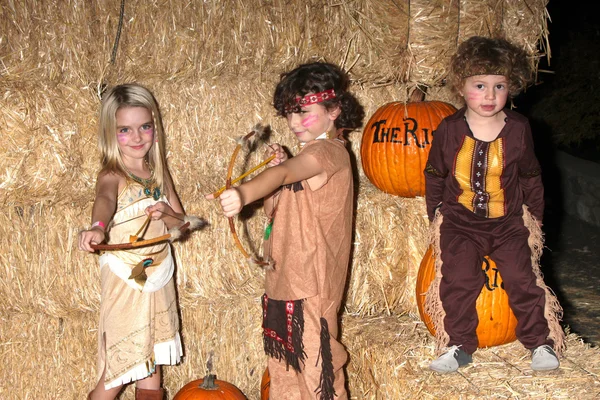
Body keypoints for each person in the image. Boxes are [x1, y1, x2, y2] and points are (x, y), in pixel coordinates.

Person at [208, 62, 364, 399]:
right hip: (284, 283)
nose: (294, 123)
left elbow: (281, 177)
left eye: (303, 112)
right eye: (289, 113)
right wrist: (277, 173)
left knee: (318, 372)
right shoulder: (307, 157)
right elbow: (273, 208)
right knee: (285, 374)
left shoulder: (328, 153)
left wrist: (244, 192)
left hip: (311, 286)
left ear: (334, 110)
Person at [423, 36, 565, 374]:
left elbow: (531, 175)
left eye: (499, 86)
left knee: (522, 278)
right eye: (480, 85)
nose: (489, 95)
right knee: (458, 280)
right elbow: (434, 174)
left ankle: (539, 342)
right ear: (461, 86)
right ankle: (458, 345)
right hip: (460, 222)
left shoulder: (518, 129)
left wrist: (535, 219)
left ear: (511, 86)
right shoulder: (449, 128)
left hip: (508, 222)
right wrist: (436, 214)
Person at [79, 83, 188, 399]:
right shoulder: (112, 175)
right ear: (110, 133)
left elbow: (181, 224)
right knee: (121, 367)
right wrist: (98, 227)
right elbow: (103, 201)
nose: (138, 137)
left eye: (145, 127)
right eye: (125, 130)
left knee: (152, 362)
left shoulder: (158, 173)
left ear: (155, 126)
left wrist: (166, 213)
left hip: (159, 273)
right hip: (128, 278)